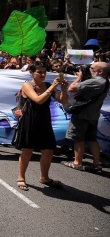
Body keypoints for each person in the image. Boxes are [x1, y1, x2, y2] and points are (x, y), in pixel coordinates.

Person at [14, 63, 68, 191]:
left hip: (44, 120)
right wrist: (52, 87)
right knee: (27, 150)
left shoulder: (48, 86)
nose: (43, 75)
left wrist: (64, 89)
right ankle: (21, 178)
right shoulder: (27, 85)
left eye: (44, 72)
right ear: (32, 73)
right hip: (30, 120)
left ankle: (44, 177)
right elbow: (38, 100)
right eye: (40, 72)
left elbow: (63, 101)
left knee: (48, 151)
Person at [62, 62, 110, 173]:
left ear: (100, 71)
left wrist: (79, 77)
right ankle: (96, 164)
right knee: (92, 139)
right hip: (93, 115)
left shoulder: (96, 81)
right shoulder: (105, 82)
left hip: (82, 114)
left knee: (79, 139)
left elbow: (71, 88)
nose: (89, 69)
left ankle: (77, 163)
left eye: (92, 68)